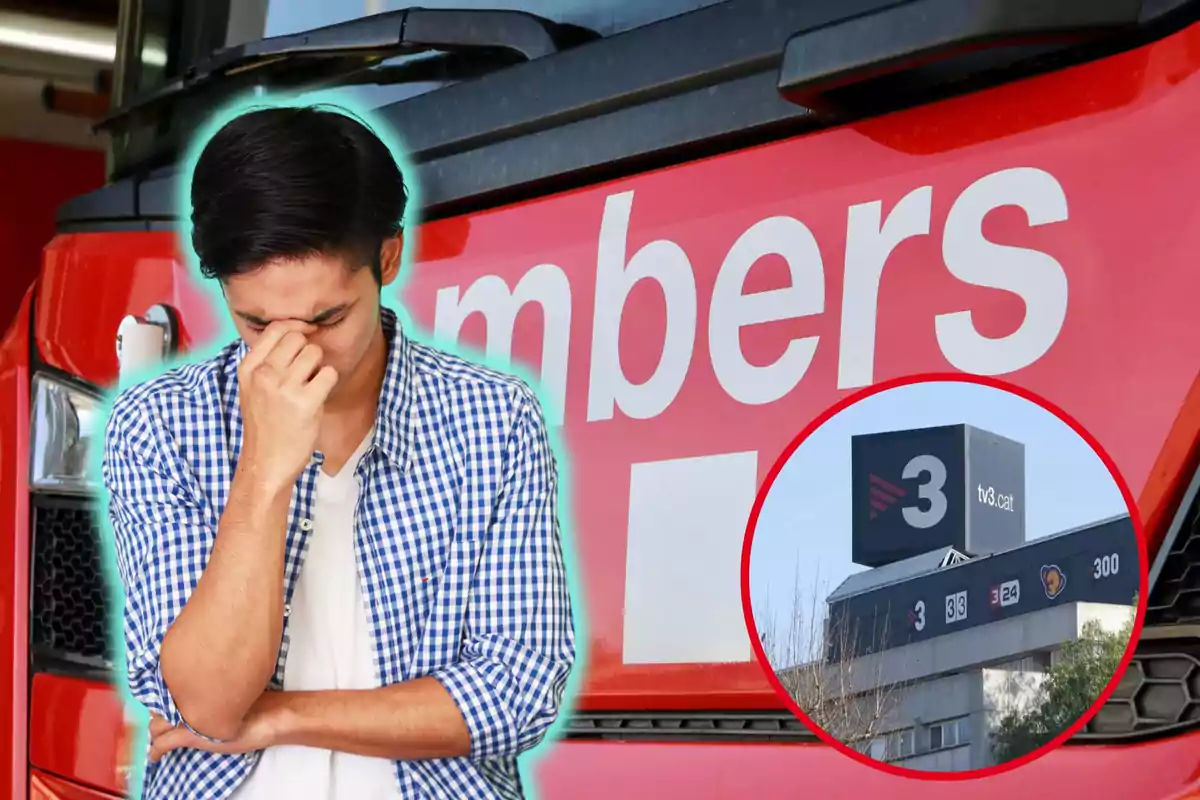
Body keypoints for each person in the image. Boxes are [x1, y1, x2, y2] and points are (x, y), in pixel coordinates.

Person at [100, 104, 576, 800]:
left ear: (387, 257)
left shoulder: (492, 417)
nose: (293, 354)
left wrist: (284, 717)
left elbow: (517, 691)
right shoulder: (160, 423)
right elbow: (207, 703)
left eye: (327, 318)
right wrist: (263, 470)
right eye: (256, 322)